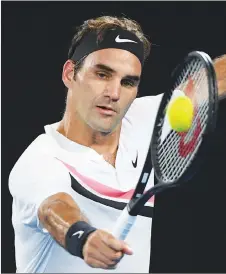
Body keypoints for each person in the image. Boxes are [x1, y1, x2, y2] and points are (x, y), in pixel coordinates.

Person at [9, 16, 161, 273]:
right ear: (70, 73)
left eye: (128, 82)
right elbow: (53, 208)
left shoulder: (143, 121)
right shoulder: (40, 159)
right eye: (102, 74)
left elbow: (209, 80)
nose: (114, 93)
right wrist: (83, 237)